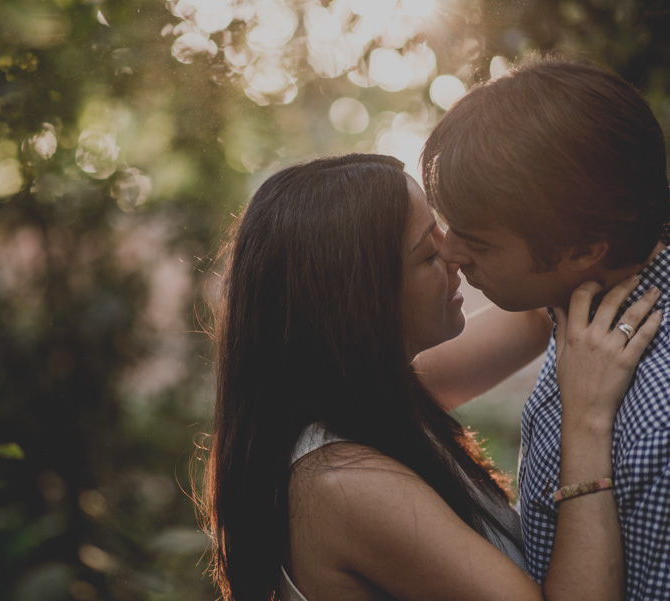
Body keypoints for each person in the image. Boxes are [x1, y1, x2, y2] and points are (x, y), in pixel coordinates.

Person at [198, 152, 661, 601]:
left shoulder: (369, 395)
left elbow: (539, 310)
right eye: (427, 253)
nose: (454, 253)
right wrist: (585, 418)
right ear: (366, 303)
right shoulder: (343, 484)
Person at [420, 55, 670, 600]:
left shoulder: (657, 428)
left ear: (583, 250)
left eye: (478, 242)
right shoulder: (568, 302)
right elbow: (392, 391)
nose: (451, 253)